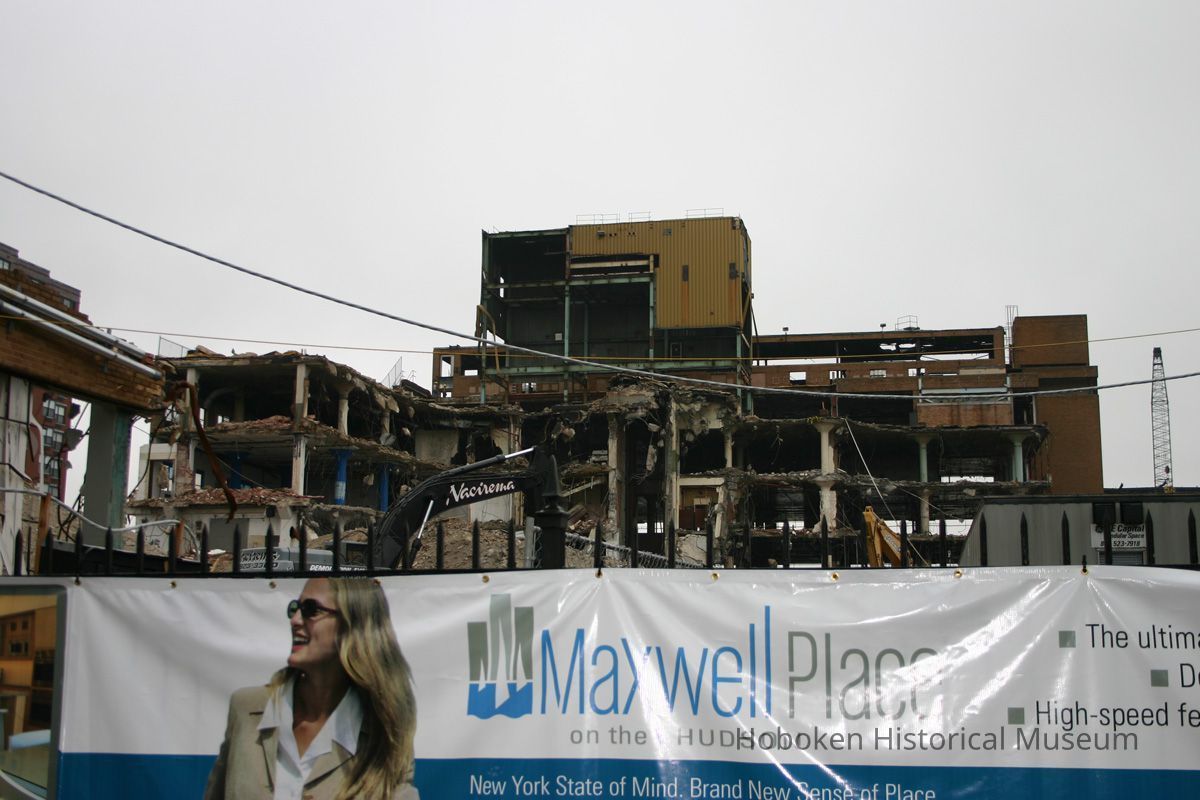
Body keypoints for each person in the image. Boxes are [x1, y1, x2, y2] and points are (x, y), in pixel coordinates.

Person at [205, 577, 419, 800]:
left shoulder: (384, 732)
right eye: (295, 608)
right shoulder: (247, 708)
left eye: (310, 609)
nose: (295, 620)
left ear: (352, 624)